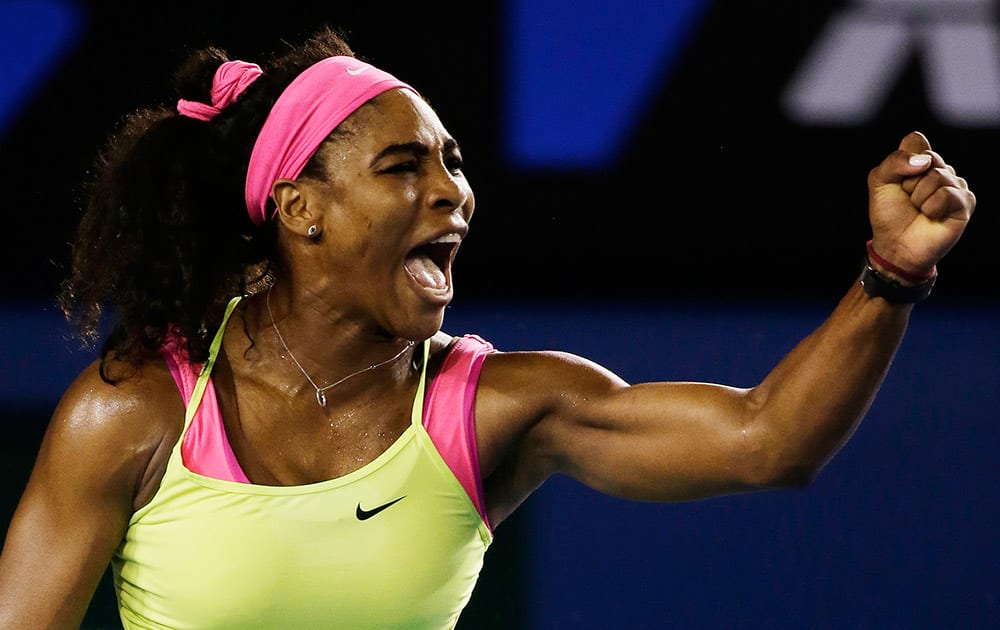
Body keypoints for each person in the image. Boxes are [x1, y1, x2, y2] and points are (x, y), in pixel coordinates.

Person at [0, 25, 976, 629]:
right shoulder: (133, 413)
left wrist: (891, 271)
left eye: (454, 164)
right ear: (303, 209)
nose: (451, 194)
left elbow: (770, 441)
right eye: (402, 168)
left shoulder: (499, 408)